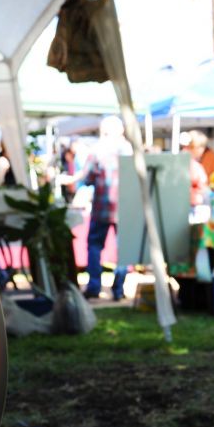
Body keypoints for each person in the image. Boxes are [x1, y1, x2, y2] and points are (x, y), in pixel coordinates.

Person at [65, 116, 132, 301]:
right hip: (125, 206)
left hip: (102, 206)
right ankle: (118, 289)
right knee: (124, 249)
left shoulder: (98, 149)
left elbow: (87, 179)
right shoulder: (128, 149)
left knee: (94, 246)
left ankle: (94, 287)